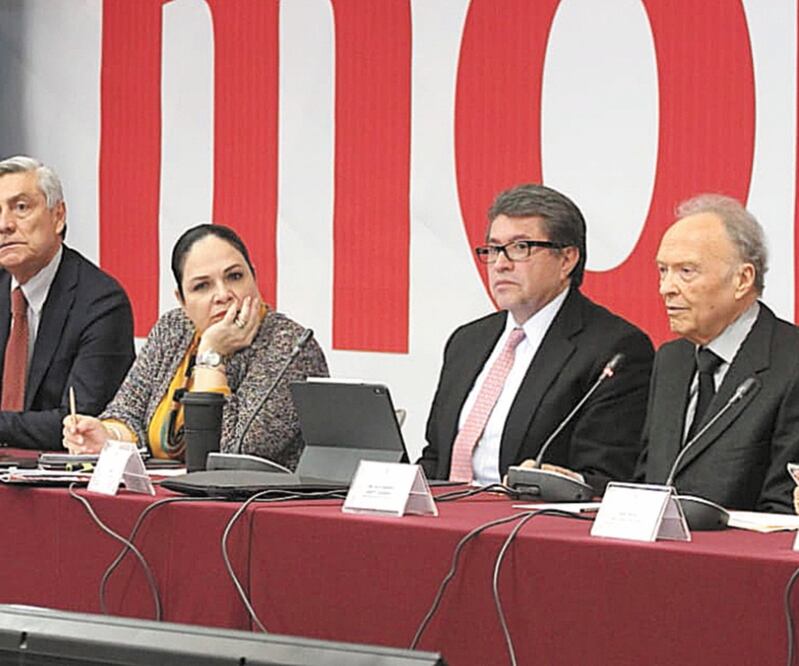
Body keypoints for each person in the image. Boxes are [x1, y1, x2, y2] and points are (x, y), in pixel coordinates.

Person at [417, 184, 654, 491]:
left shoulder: (613, 349)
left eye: (520, 247)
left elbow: (605, 477)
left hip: (528, 517)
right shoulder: (467, 342)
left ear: (566, 259)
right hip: (446, 513)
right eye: (493, 249)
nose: (501, 264)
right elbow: (436, 458)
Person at [63, 224, 328, 469]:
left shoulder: (291, 346)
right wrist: (108, 435)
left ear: (254, 277)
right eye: (202, 286)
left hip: (253, 502)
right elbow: (127, 410)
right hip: (165, 497)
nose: (223, 294)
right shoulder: (175, 328)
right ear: (182, 300)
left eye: (235, 276)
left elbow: (231, 452)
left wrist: (211, 355)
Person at [636, 194, 799, 513]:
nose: (666, 288)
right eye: (663, 270)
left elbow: (784, 508)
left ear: (743, 279)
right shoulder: (671, 360)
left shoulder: (791, 363)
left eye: (686, 271)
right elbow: (646, 480)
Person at [0, 155, 134, 449]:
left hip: (55, 470)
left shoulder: (101, 303)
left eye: (20, 207)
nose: (4, 225)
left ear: (58, 216)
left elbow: (79, 421)